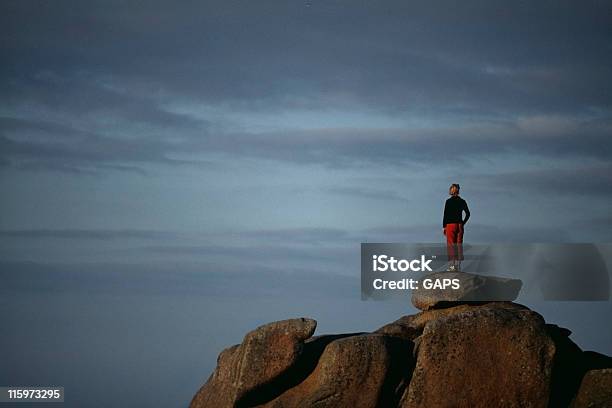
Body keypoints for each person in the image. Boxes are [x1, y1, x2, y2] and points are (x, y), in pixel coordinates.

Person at [443, 183, 470, 271]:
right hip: (459, 225)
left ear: (452, 190)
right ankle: (458, 265)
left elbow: (445, 215)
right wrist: (463, 223)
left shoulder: (448, 201)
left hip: (450, 225)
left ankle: (452, 265)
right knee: (459, 245)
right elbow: (468, 214)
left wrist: (444, 227)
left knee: (451, 245)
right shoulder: (462, 201)